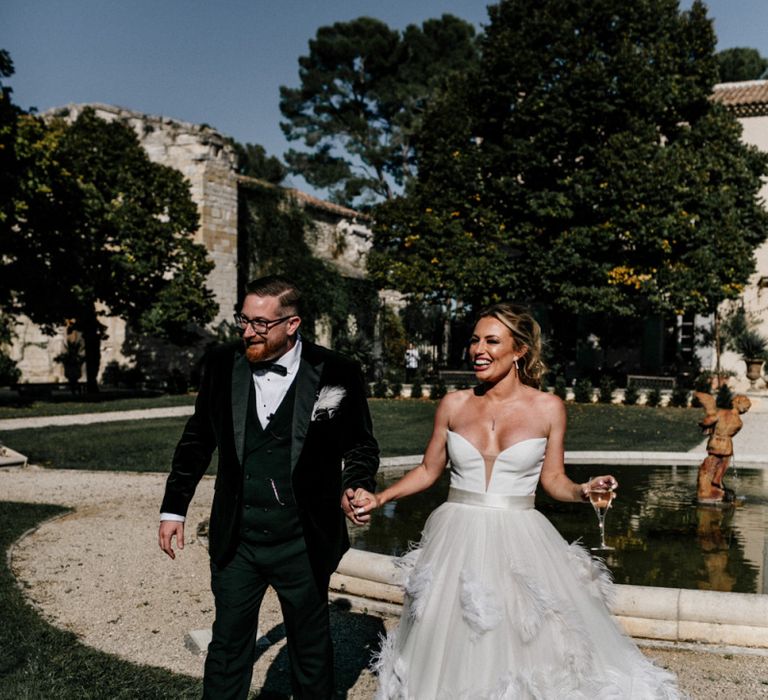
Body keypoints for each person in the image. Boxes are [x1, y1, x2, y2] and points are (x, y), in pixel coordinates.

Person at [352, 303, 681, 699]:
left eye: (492, 341)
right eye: (475, 340)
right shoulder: (454, 404)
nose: (478, 349)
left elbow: (554, 481)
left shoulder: (548, 408)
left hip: (520, 535)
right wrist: (380, 494)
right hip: (456, 534)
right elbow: (428, 470)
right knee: (451, 637)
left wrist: (583, 490)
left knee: (524, 637)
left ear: (519, 350)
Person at [158, 275, 379, 699]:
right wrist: (174, 509)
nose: (247, 331)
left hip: (304, 539)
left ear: (292, 325)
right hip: (238, 539)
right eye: (244, 319)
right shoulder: (223, 363)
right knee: (227, 647)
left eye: (260, 323)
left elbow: (361, 444)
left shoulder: (337, 372)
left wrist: (357, 484)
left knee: (311, 651)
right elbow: (197, 439)